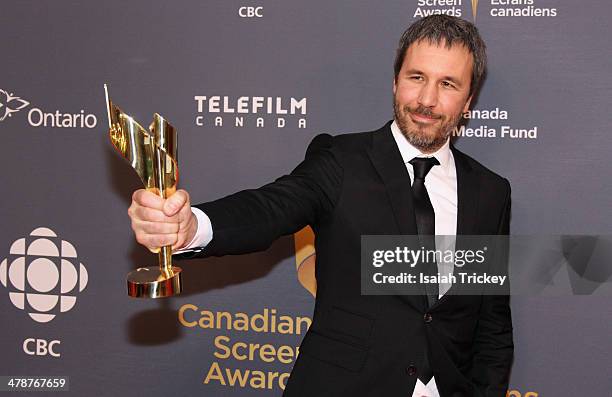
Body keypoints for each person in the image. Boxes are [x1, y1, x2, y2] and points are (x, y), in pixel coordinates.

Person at [128, 15, 513, 397]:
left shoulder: (491, 192)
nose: (427, 100)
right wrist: (193, 227)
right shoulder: (340, 160)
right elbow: (272, 207)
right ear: (395, 81)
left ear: (468, 100)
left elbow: (492, 324)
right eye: (417, 77)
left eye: (447, 84)